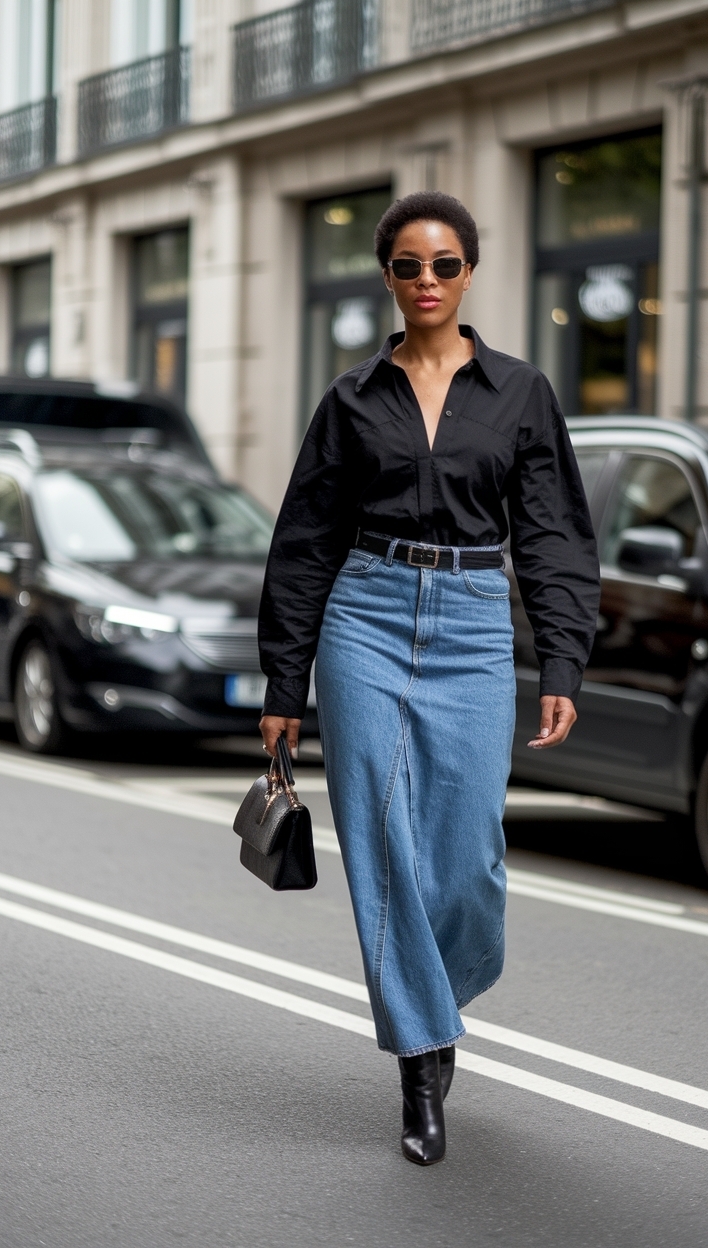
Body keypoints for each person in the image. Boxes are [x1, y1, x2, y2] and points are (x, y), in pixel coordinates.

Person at [258, 191, 599, 1166]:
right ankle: (419, 1062)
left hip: (472, 622)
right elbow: (303, 544)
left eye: (444, 264)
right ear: (388, 278)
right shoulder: (352, 400)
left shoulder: (520, 393)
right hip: (363, 614)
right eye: (409, 266)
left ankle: (436, 998)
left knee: (468, 856)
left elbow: (553, 537)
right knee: (379, 843)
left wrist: (562, 657)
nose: (427, 282)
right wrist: (285, 685)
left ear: (469, 272)